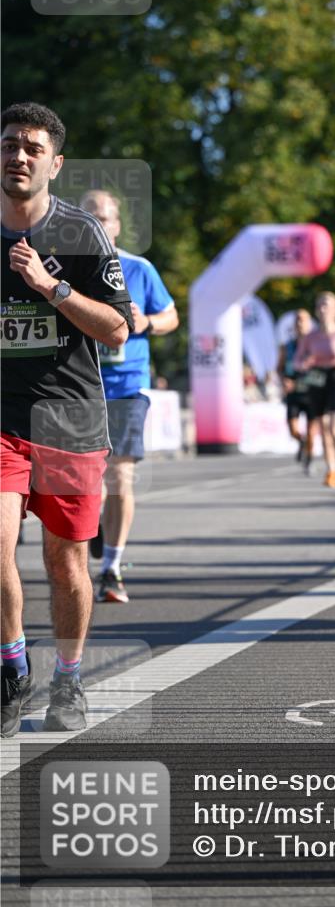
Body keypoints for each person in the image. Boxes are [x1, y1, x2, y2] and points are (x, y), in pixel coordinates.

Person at [1, 102, 133, 736]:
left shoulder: (80, 234)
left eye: (31, 147)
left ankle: (70, 676)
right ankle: (11, 671)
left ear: (55, 163)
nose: (17, 155)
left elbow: (117, 330)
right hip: (2, 417)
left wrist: (52, 288)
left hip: (71, 419)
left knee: (66, 561)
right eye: (8, 144)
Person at [79, 190, 179, 603]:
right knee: (87, 486)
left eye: (104, 218)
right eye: (88, 218)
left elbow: (172, 316)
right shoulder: (60, 271)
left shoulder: (139, 270)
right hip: (79, 389)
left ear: (117, 226)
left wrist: (148, 322)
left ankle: (112, 569)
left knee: (120, 477)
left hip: (126, 386)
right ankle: (95, 527)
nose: (97, 225)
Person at [295, 291, 335, 487]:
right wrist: (305, 363)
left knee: (334, 427)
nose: (323, 309)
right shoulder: (310, 336)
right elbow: (297, 361)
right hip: (317, 378)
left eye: (327, 305)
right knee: (323, 428)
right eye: (320, 305)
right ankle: (331, 468)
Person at [277, 308, 318, 475]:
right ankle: (301, 443)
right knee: (293, 429)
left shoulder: (316, 345)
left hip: (312, 392)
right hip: (293, 392)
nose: (300, 323)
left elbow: (321, 368)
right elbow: (279, 368)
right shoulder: (287, 346)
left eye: (303, 320)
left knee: (311, 430)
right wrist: (284, 380)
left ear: (309, 323)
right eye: (297, 320)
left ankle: (309, 459)